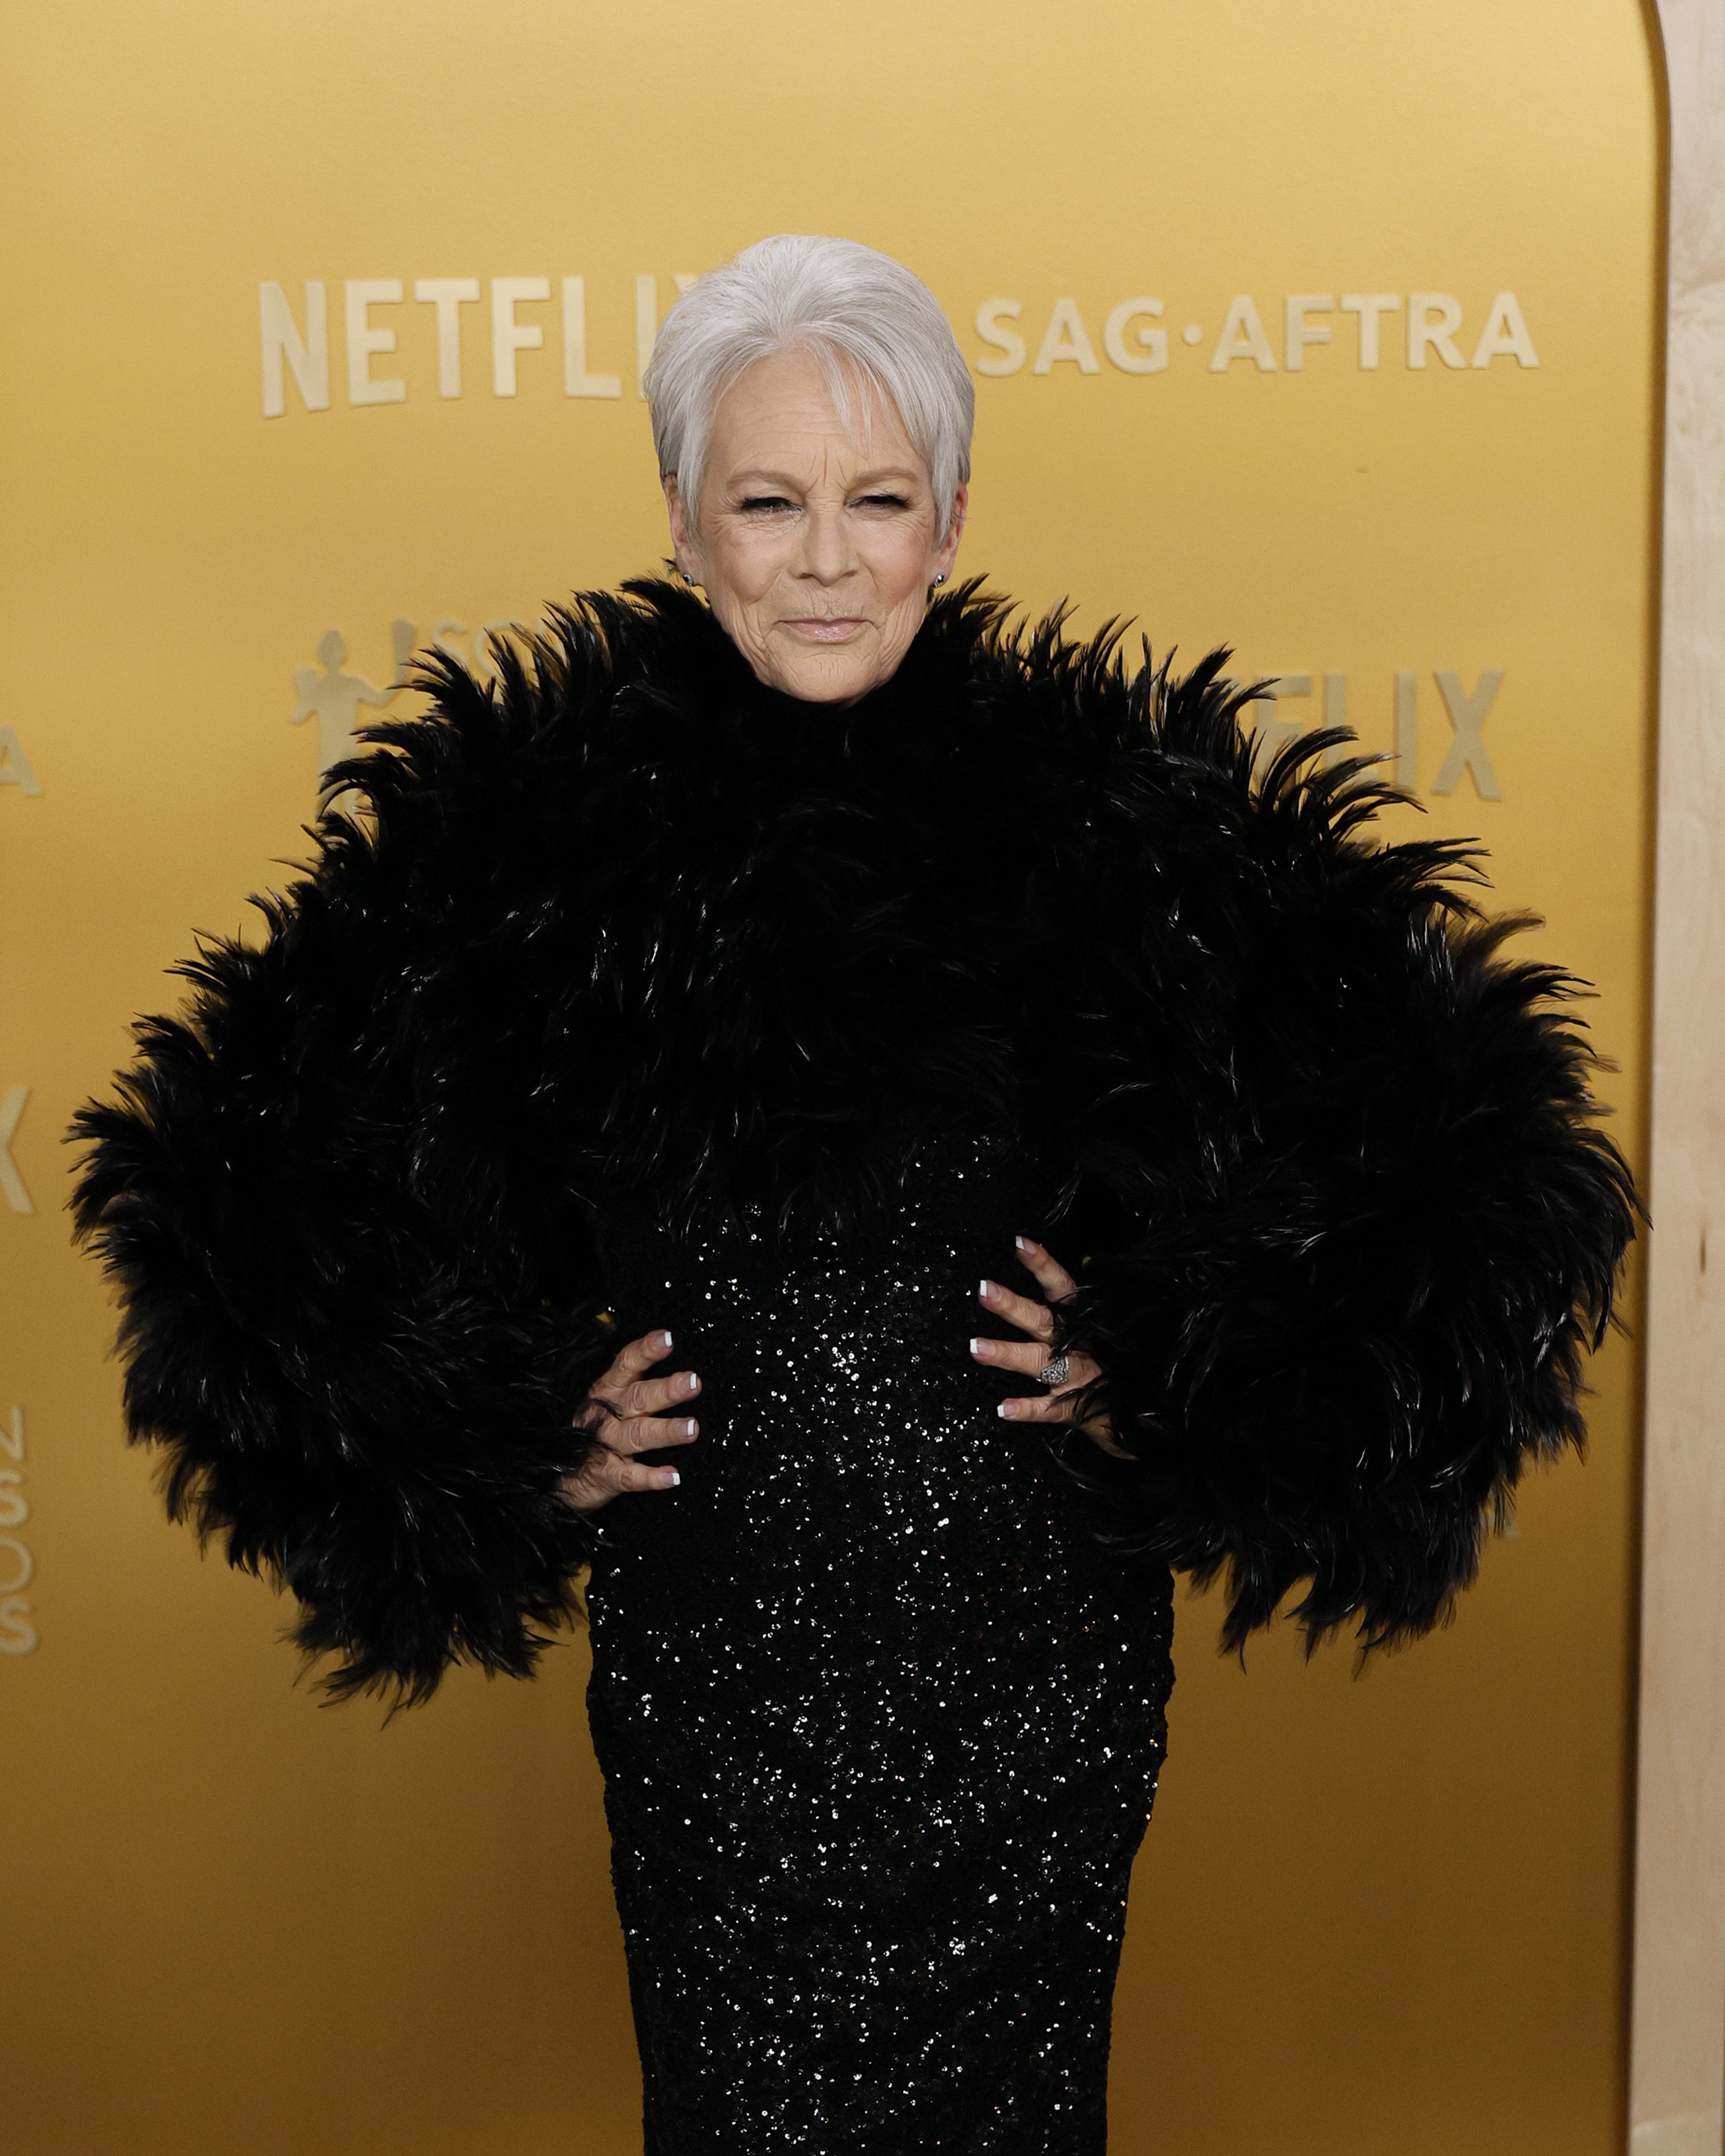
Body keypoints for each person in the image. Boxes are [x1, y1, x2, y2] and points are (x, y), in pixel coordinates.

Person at [68, 234, 1636, 2154]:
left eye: (875, 500)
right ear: (681, 523)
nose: (825, 556)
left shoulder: (1106, 818)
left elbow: (1477, 1151)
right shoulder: (532, 837)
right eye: (770, 501)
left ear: (950, 521)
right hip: (717, 1681)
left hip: (1030, 1672)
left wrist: (1184, 1376)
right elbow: (229, 1189)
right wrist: (491, 1447)